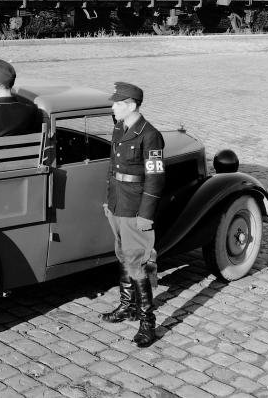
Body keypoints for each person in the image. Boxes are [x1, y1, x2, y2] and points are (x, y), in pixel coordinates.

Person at [101, 82, 165, 348]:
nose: (113, 107)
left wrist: (146, 215)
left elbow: (156, 178)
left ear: (131, 105)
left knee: (137, 261)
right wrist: (108, 202)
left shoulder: (150, 135)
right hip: (117, 204)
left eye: (117, 103)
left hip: (135, 207)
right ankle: (127, 306)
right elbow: (113, 167)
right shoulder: (119, 127)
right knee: (122, 255)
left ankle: (147, 322)